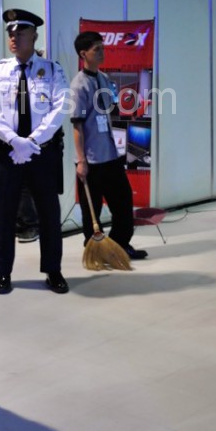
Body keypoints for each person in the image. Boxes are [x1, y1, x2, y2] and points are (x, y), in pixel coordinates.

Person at [0, 8, 69, 295]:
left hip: (42, 153)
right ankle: (3, 272)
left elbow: (60, 108)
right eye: (10, 32)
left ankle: (53, 270)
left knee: (48, 212)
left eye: (20, 32)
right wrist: (14, 141)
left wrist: (31, 141)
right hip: (9, 154)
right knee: (5, 213)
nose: (14, 37)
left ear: (34, 35)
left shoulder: (52, 70)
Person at [70, 31, 148, 260]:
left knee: (123, 201)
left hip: (110, 156)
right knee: (91, 210)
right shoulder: (79, 86)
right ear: (83, 54)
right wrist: (81, 161)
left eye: (102, 48)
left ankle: (119, 245)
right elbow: (77, 126)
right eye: (97, 49)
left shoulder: (103, 79)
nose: (102, 52)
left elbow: (109, 111)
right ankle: (95, 251)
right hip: (91, 160)